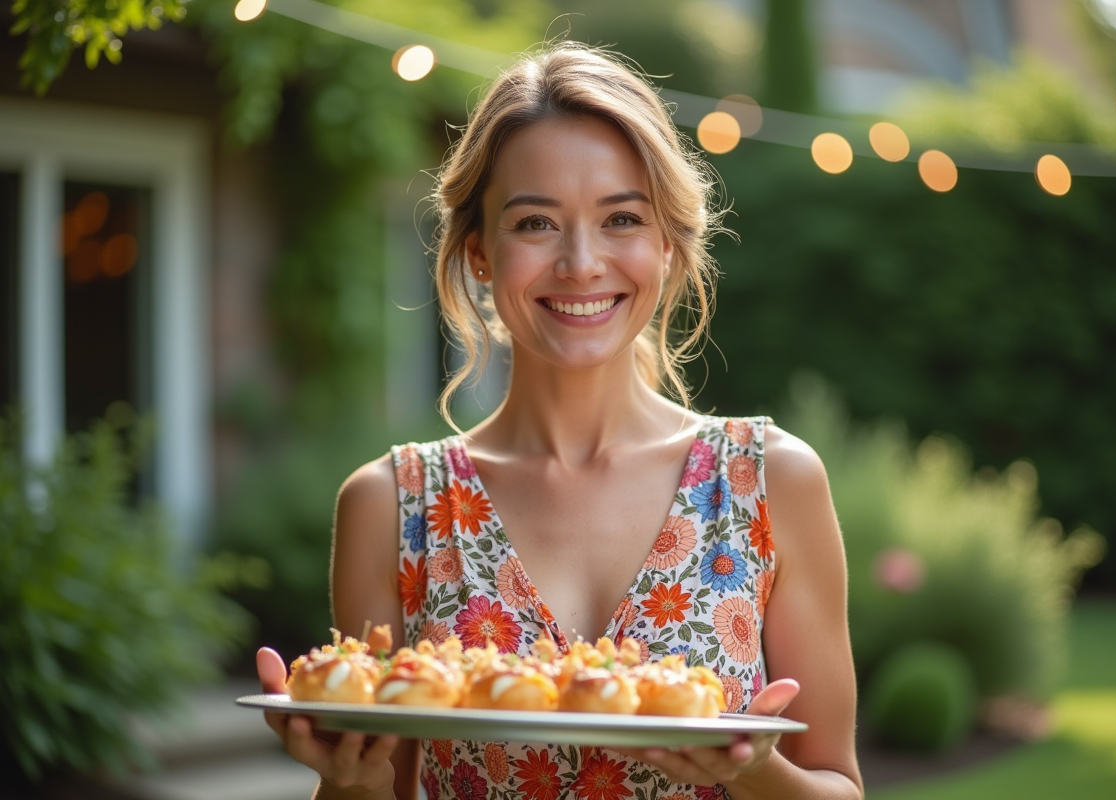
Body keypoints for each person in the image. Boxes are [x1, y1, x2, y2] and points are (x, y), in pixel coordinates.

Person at [256, 42, 863, 800]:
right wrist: (350, 779)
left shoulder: (772, 481)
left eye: (621, 219)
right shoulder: (393, 505)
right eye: (536, 223)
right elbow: (384, 785)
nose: (581, 262)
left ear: (667, 246)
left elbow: (838, 783)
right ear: (479, 253)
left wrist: (756, 771)